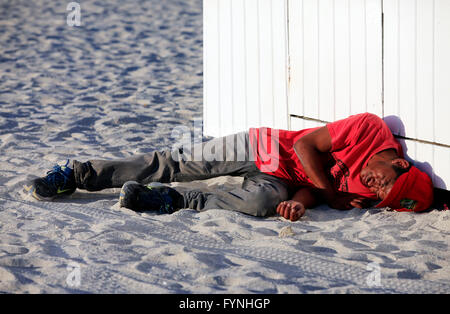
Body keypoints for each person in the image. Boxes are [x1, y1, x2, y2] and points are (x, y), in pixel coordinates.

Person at [24, 113, 434, 221]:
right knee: (174, 161)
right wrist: (327, 193)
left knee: (259, 205)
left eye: (383, 197)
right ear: (399, 162)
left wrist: (302, 205)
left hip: (280, 182)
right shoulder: (370, 129)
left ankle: (162, 202)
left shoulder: (367, 193)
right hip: (266, 147)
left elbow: (314, 191)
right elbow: (308, 146)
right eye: (386, 184)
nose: (376, 190)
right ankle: (78, 175)